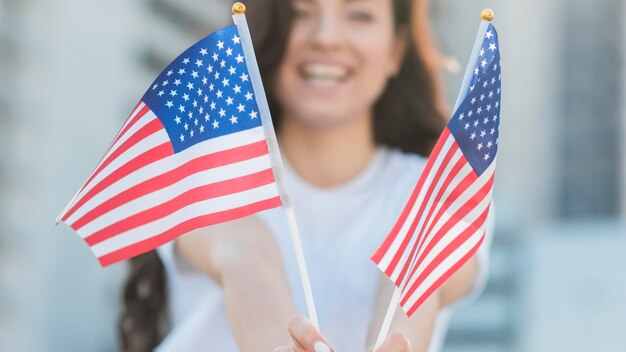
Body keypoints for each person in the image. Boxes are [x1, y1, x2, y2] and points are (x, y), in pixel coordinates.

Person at [119, 0, 493, 351]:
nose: (326, 38)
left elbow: (414, 280)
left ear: (396, 50)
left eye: (359, 15)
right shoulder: (214, 165)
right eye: (301, 12)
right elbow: (246, 258)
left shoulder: (443, 188)